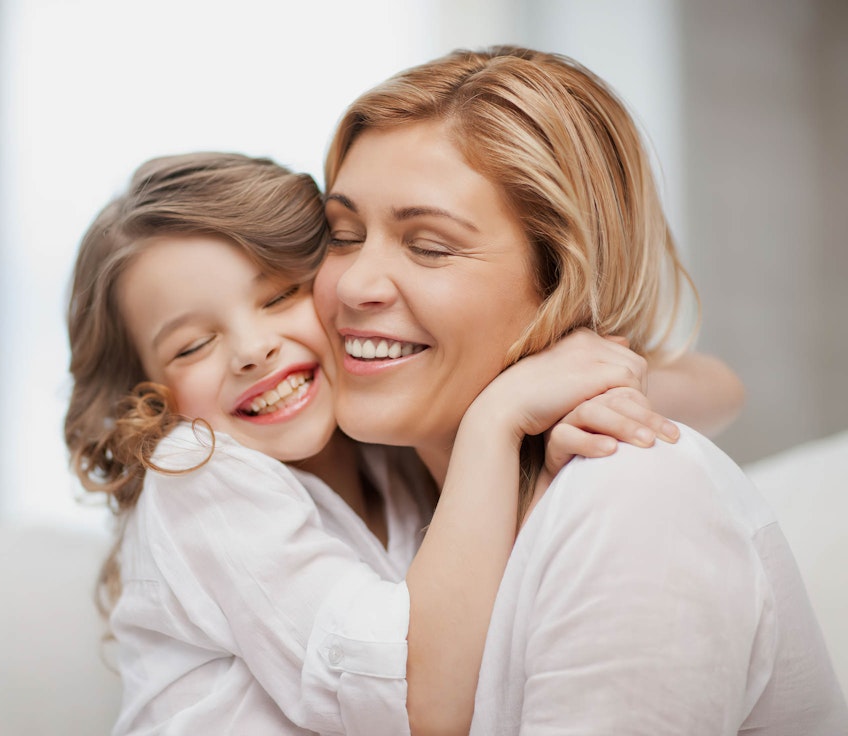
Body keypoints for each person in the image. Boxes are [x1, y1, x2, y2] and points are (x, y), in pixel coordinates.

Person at [64, 152, 742, 734]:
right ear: (148, 401)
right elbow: (418, 709)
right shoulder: (196, 469)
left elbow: (716, 391)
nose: (252, 349)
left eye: (278, 297)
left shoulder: (384, 437)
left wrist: (562, 374)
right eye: (193, 345)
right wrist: (498, 416)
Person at [315, 45, 847, 735]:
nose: (355, 285)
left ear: (561, 276)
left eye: (430, 246)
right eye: (341, 234)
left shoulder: (631, 500)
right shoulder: (380, 488)